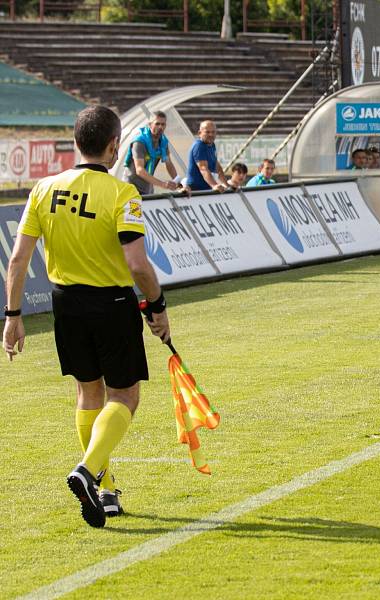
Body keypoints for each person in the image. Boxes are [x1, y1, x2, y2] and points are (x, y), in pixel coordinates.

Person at [2, 105, 170, 528]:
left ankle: (107, 490)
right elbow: (137, 266)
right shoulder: (121, 193)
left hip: (65, 304)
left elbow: (18, 259)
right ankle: (87, 469)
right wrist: (157, 306)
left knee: (87, 396)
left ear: (76, 142)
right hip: (111, 304)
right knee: (125, 397)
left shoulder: (43, 188)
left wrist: (13, 314)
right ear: (114, 147)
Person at [122, 111, 180, 195]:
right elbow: (139, 170)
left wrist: (180, 186)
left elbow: (169, 164)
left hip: (147, 188)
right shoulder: (139, 142)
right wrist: (162, 184)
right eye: (157, 124)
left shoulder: (163, 142)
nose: (160, 127)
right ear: (150, 125)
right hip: (131, 189)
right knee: (135, 209)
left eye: (163, 124)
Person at [185, 120, 227, 193]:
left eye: (213, 132)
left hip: (206, 189)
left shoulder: (212, 145)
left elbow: (218, 168)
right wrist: (214, 185)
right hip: (196, 191)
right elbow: (203, 169)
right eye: (207, 132)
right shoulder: (199, 146)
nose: (211, 134)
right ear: (199, 133)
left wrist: (226, 185)